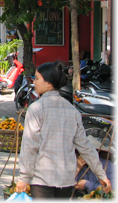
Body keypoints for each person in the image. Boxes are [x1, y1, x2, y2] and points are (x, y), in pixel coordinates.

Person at [15, 61, 112, 199]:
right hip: (66, 179)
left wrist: (23, 177)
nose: (34, 82)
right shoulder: (72, 110)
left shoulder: (36, 109)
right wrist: (101, 174)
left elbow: (30, 146)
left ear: (49, 83)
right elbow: (85, 146)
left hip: (42, 178)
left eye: (37, 78)